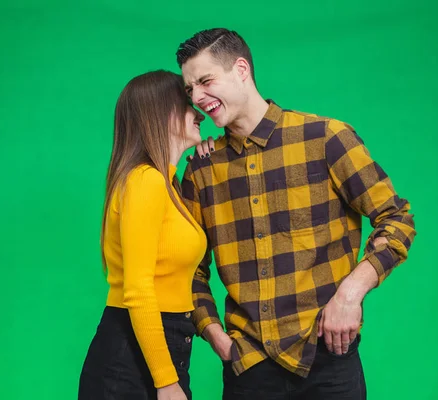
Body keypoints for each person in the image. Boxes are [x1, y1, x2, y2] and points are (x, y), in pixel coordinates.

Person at [177, 28, 417, 399]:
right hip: (249, 368)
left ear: (241, 69)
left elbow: (396, 217)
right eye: (190, 89)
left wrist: (350, 294)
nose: (197, 97)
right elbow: (188, 267)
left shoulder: (325, 137)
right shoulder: (202, 169)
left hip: (328, 357)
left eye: (206, 81)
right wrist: (217, 338)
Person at [78, 70, 207, 400]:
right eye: (188, 103)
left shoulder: (167, 185)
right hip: (134, 354)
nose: (200, 111)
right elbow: (137, 288)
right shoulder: (145, 182)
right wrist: (165, 381)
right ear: (162, 113)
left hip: (162, 343)